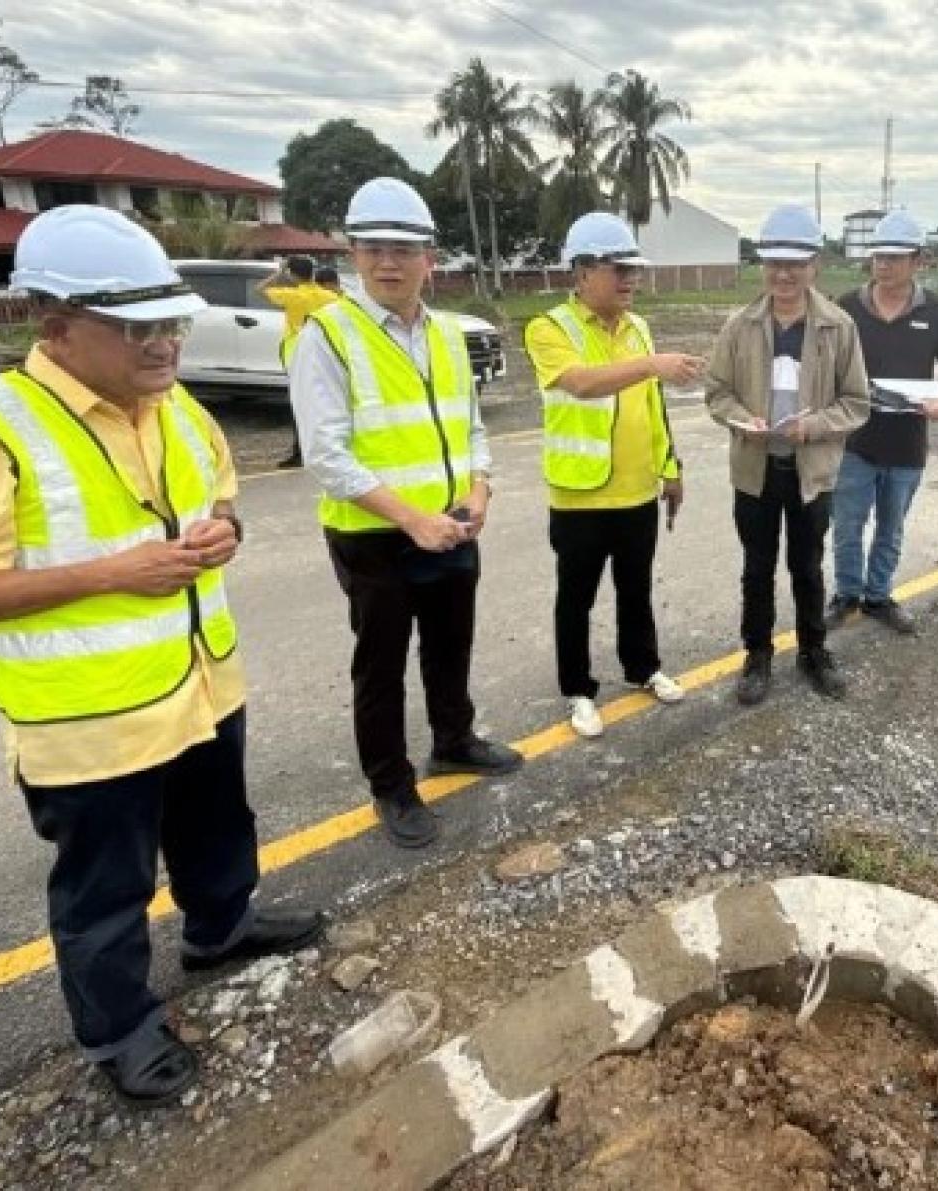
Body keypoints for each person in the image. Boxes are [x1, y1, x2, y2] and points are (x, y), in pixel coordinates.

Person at [0, 206, 322, 1105]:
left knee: (217, 827)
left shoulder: (174, 405)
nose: (162, 344)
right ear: (55, 325)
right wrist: (113, 573)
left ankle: (221, 927)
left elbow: (222, 499)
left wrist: (226, 531)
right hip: (88, 721)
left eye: (171, 321)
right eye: (135, 326)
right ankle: (118, 1029)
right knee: (106, 889)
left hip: (198, 683)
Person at [289, 178, 521, 850]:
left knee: (451, 646)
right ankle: (390, 783)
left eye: (402, 249)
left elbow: (471, 426)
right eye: (371, 248)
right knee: (381, 664)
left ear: (430, 257)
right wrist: (410, 518)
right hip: (373, 535)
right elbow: (325, 454)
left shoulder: (448, 335)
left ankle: (453, 740)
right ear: (353, 255)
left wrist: (480, 491)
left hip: (452, 522)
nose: (386, 262)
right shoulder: (327, 335)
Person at [524, 213, 703, 738]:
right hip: (579, 496)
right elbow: (580, 384)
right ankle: (578, 689)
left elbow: (654, 409)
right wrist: (652, 365)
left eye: (634, 270)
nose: (630, 280)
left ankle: (642, 667)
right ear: (580, 271)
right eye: (617, 268)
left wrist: (671, 470)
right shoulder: (549, 328)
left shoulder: (639, 328)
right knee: (575, 598)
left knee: (636, 588)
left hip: (636, 492)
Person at [705, 204, 870, 705]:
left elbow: (856, 403)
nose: (784, 274)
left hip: (810, 473)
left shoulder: (838, 327)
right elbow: (717, 392)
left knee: (807, 566)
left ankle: (813, 652)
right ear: (763, 266)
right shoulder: (740, 326)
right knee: (756, 569)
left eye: (795, 264)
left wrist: (814, 425)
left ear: (814, 265)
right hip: (755, 471)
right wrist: (742, 420)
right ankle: (757, 655)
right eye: (774, 263)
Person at [827, 210, 938, 635]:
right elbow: (826, 366)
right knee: (848, 525)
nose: (883, 265)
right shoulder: (848, 307)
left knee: (891, 527)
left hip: (907, 443)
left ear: (918, 261)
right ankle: (847, 594)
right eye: (878, 257)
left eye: (895, 257)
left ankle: (878, 595)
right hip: (855, 441)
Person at [263, 255, 341, 468]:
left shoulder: (291, 295)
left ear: (292, 274)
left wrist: (280, 273)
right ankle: (329, 448)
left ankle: (301, 452)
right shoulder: (328, 296)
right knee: (326, 402)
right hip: (324, 354)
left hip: (296, 356)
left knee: (301, 405)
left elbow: (261, 289)